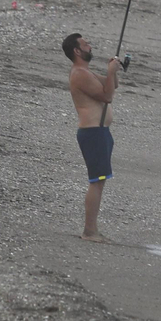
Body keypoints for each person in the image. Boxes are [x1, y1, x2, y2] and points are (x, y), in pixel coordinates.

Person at [63, 32, 122, 242]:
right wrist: (109, 71)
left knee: (101, 180)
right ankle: (89, 231)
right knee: (96, 181)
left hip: (101, 132)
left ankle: (92, 229)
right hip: (92, 132)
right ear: (77, 51)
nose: (90, 46)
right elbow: (107, 97)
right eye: (86, 44)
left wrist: (113, 71)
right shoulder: (79, 74)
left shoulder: (85, 72)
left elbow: (111, 86)